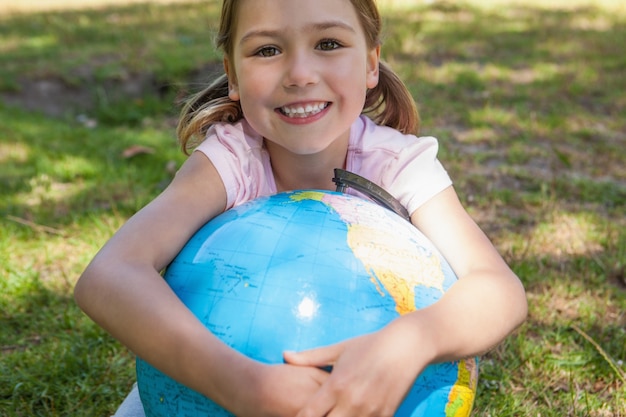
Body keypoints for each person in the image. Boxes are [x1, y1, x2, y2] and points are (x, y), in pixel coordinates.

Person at [74, 0, 528, 416]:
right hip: (210, 389)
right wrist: (240, 385)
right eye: (268, 50)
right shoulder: (231, 161)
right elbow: (110, 274)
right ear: (232, 75)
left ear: (371, 63)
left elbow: (498, 289)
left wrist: (409, 342)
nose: (299, 74)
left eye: (328, 43)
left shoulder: (398, 167)